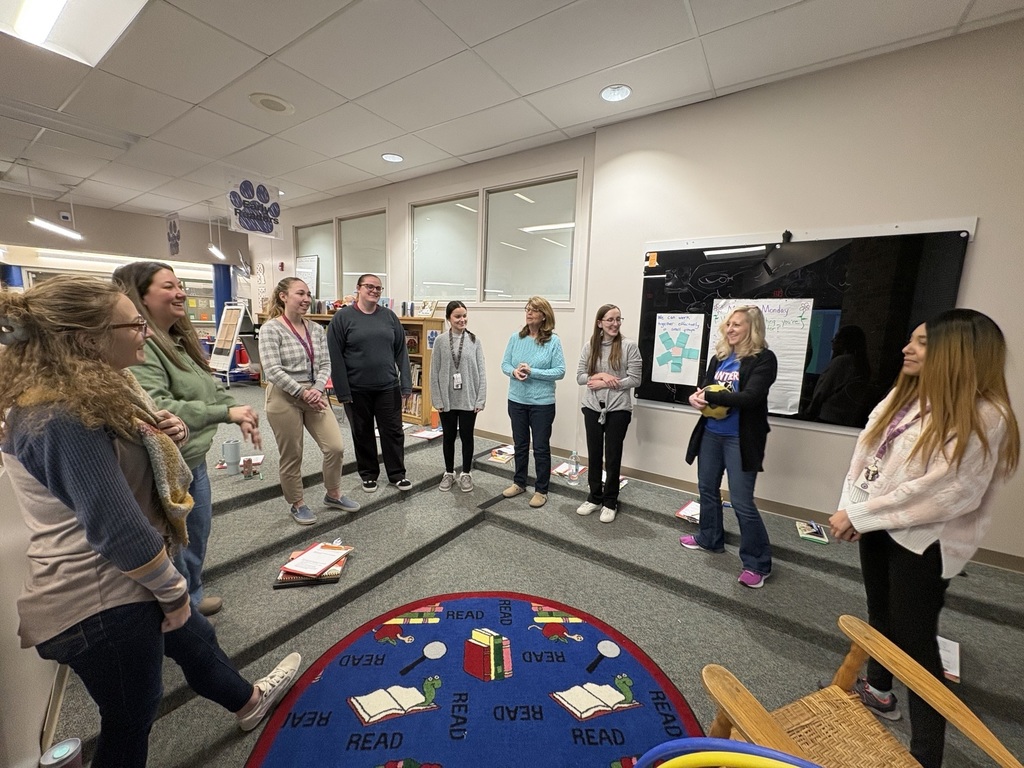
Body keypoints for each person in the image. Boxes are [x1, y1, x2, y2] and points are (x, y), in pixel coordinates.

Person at [0, 277, 300, 768]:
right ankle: (247, 699)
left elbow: (129, 452)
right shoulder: (58, 416)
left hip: (127, 584)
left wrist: (167, 428)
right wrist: (175, 592)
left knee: (196, 642)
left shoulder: (94, 390)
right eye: (134, 324)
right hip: (99, 599)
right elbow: (118, 530)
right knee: (130, 720)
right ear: (86, 339)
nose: (145, 331)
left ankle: (249, 701)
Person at [828, 309, 1019, 768]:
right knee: (880, 614)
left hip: (925, 543)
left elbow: (943, 493)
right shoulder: (908, 395)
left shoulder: (986, 416)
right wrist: (852, 509)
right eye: (911, 340)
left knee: (917, 642)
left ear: (958, 353)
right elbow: (866, 456)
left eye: (921, 343)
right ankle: (879, 690)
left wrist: (860, 512)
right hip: (879, 525)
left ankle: (926, 754)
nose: (906, 349)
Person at [113, 261, 261, 618]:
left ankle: (191, 598)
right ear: (141, 297)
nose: (181, 292)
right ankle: (180, 612)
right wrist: (225, 413)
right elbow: (157, 406)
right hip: (163, 470)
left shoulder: (179, 342)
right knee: (174, 545)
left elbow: (212, 388)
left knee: (196, 535)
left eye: (180, 285)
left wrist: (236, 407)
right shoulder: (140, 347)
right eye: (168, 286)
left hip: (193, 460)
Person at [680, 305, 778, 589]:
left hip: (740, 438)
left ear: (752, 329)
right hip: (711, 433)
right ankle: (709, 539)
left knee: (742, 502)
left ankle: (758, 563)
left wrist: (711, 394)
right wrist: (696, 398)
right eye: (729, 324)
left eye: (737, 324)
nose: (730, 329)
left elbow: (751, 398)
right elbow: (705, 389)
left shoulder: (763, 359)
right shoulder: (720, 358)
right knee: (707, 489)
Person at [259, 277, 360, 525]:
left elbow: (326, 363)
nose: (306, 299)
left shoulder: (315, 329)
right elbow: (272, 370)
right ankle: (297, 503)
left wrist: (315, 389)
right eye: (300, 294)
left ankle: (333, 494)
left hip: (314, 393)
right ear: (283, 296)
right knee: (292, 454)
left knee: (335, 447)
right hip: (284, 396)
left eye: (308, 294)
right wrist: (303, 393)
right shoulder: (271, 329)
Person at [327, 273, 412, 493]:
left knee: (393, 432)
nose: (374, 291)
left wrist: (406, 384)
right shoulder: (342, 318)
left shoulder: (389, 317)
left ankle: (397, 474)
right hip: (357, 389)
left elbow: (401, 352)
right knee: (362, 432)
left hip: (387, 387)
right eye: (369, 287)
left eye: (378, 288)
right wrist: (342, 391)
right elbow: (335, 357)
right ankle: (368, 474)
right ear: (358, 288)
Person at [575, 304, 643, 523]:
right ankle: (594, 497)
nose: (615, 324)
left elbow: (635, 379)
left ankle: (610, 501)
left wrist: (603, 382)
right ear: (600, 323)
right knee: (594, 455)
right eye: (610, 320)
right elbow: (580, 377)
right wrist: (603, 375)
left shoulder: (629, 346)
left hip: (618, 409)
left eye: (618, 319)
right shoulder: (590, 346)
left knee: (612, 456)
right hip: (592, 407)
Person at [501, 296, 566, 508]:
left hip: (542, 404)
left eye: (534, 310)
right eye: (527, 309)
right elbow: (504, 364)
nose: (529, 313)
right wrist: (514, 371)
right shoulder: (515, 338)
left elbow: (560, 371)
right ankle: (519, 482)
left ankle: (541, 489)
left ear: (544, 315)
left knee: (540, 447)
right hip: (517, 400)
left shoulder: (553, 341)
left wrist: (533, 372)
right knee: (520, 445)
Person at [430, 300, 487, 492]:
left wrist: (480, 399)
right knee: (448, 437)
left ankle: (466, 473)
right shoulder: (439, 341)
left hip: (469, 399)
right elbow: (434, 372)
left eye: (464, 316)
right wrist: (437, 399)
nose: (462, 320)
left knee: (467, 436)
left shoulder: (474, 340)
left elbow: (482, 372)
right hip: (447, 399)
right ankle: (448, 472)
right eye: (457, 316)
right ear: (448, 319)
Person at [805, 324, 870, 426]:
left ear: (844, 342)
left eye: (836, 338)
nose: (832, 341)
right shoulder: (862, 364)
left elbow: (822, 391)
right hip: (847, 420)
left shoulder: (841, 362)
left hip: (829, 418)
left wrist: (808, 412)